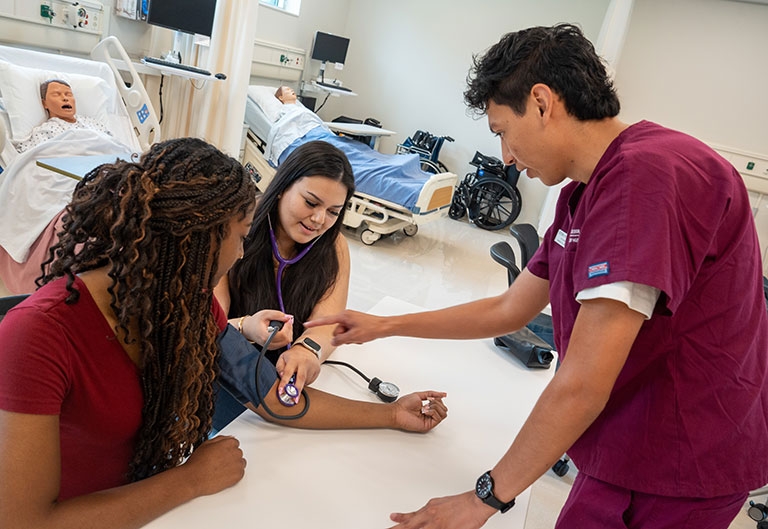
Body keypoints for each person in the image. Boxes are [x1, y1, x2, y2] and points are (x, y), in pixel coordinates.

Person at [306, 24, 768, 529]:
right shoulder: (583, 195)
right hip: (626, 439)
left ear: (543, 103)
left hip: (678, 459)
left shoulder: (646, 177)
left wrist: (484, 498)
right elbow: (510, 308)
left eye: (502, 131)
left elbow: (583, 383)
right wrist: (384, 325)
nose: (505, 156)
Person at [0, 137, 447, 529]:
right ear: (193, 240)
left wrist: (390, 416)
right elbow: (24, 521)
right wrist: (188, 480)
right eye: (238, 237)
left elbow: (272, 397)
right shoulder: (38, 335)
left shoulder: (182, 304)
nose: (240, 253)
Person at [213, 139, 354, 424]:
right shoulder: (237, 228)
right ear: (281, 189)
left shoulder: (333, 245)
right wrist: (246, 327)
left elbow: (327, 322)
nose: (318, 219)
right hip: (226, 371)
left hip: (286, 381)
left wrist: (307, 350)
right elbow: (203, 324)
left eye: (333, 212)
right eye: (311, 202)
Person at [12, 79, 110, 153]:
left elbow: (114, 145)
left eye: (68, 94)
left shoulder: (93, 123)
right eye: (56, 94)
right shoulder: (45, 131)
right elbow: (34, 156)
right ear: (44, 103)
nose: (65, 98)